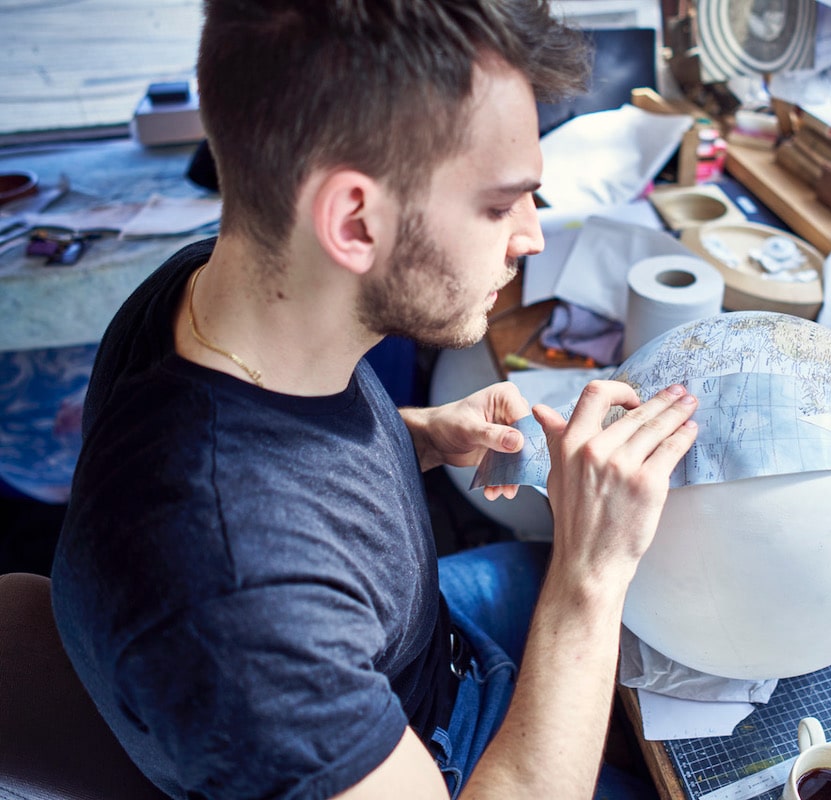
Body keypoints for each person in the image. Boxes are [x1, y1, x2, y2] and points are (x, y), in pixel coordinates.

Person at [50, 1, 700, 799]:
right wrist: (590, 576)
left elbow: (281, 450)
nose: (530, 236)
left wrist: (422, 433)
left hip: (427, 649)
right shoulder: (238, 608)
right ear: (354, 221)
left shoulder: (213, 293)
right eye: (500, 204)